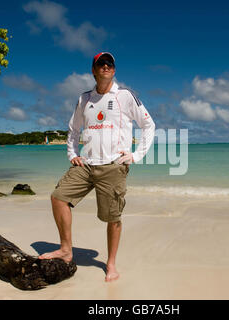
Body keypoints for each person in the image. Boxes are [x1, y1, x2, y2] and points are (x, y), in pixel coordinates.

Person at [38, 52, 155, 282]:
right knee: (58, 197)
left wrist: (136, 155)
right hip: (87, 164)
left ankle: (110, 264)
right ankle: (65, 250)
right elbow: (73, 130)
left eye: (109, 63)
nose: (105, 66)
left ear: (114, 69)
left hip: (113, 166)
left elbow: (148, 125)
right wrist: (72, 154)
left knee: (112, 217)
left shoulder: (125, 96)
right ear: (93, 70)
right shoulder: (84, 99)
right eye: (101, 63)